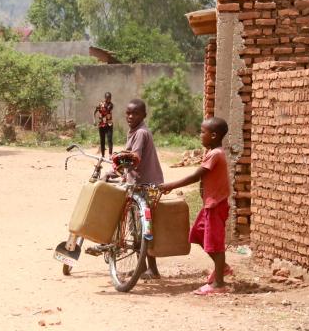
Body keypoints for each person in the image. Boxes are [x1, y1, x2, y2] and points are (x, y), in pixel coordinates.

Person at [88, 98, 164, 279]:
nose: (130, 116)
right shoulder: (136, 131)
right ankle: (145, 268)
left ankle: (149, 269)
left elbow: (134, 157)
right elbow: (128, 160)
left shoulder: (140, 134)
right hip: (145, 182)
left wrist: (117, 167)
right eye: (128, 113)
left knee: (140, 228)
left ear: (144, 115)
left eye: (135, 113)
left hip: (144, 184)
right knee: (143, 228)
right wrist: (116, 170)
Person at [159, 117, 232, 295]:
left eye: (202, 132)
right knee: (198, 235)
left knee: (214, 244)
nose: (200, 135)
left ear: (213, 135)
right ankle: (222, 267)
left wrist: (171, 185)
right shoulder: (211, 152)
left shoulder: (216, 154)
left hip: (216, 205)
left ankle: (219, 284)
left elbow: (195, 177)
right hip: (209, 204)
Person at [93, 92, 114, 158]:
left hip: (109, 124)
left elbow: (108, 110)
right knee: (102, 140)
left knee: (109, 139)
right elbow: (95, 111)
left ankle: (110, 155)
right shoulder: (100, 104)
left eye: (110, 98)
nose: (109, 99)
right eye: (107, 98)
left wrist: (102, 114)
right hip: (101, 124)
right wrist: (94, 120)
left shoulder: (111, 105)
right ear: (105, 98)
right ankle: (102, 155)